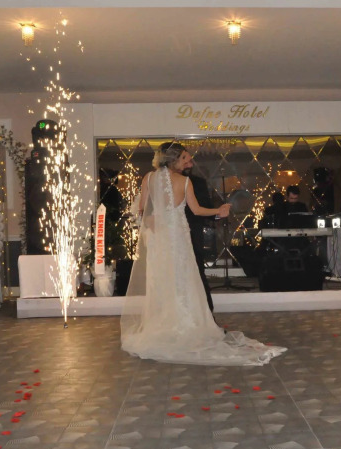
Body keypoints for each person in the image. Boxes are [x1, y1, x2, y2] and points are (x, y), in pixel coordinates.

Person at [120, 142, 286, 365]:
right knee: (184, 279)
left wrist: (152, 224)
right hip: (178, 239)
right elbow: (197, 210)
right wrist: (220, 210)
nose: (189, 162)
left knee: (161, 280)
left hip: (159, 240)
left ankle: (162, 325)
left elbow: (142, 210)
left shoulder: (148, 178)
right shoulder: (185, 181)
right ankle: (186, 324)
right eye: (185, 158)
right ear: (173, 160)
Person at [180, 157, 215, 311]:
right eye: (185, 160)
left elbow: (204, 206)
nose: (189, 164)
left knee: (197, 271)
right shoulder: (159, 181)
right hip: (170, 233)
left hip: (193, 232)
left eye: (190, 161)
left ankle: (206, 313)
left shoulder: (197, 182)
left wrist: (216, 214)